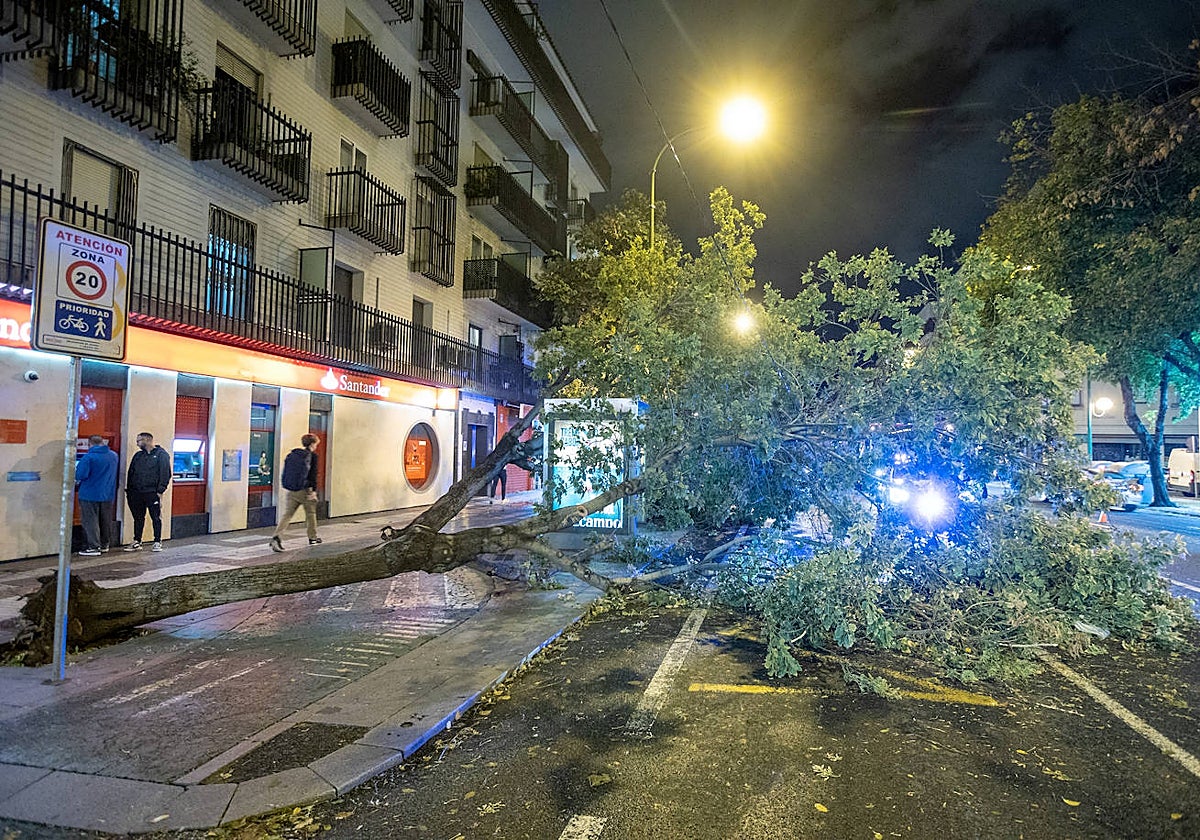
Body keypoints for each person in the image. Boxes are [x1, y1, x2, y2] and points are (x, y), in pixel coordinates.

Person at [270, 434, 321, 552]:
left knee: (287, 515)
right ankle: (312, 538)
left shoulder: (294, 454)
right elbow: (313, 475)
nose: (316, 446)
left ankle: (277, 537)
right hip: (305, 490)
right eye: (316, 444)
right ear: (312, 444)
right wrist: (313, 491)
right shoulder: (312, 456)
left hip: (292, 490)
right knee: (311, 513)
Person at [124, 431, 172, 552]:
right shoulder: (138, 456)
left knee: (155, 517)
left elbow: (165, 473)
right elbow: (131, 473)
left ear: (147, 440)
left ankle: (157, 541)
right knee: (138, 517)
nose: (137, 443)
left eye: (139, 440)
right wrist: (129, 490)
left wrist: (160, 490)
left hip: (152, 492)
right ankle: (137, 540)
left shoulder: (161, 455)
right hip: (136, 492)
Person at [75, 434, 118, 556]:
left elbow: (80, 475)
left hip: (89, 494)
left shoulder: (88, 457)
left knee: (90, 521)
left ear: (90, 444)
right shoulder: (114, 456)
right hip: (108, 493)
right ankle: (105, 545)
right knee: (105, 520)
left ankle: (94, 547)